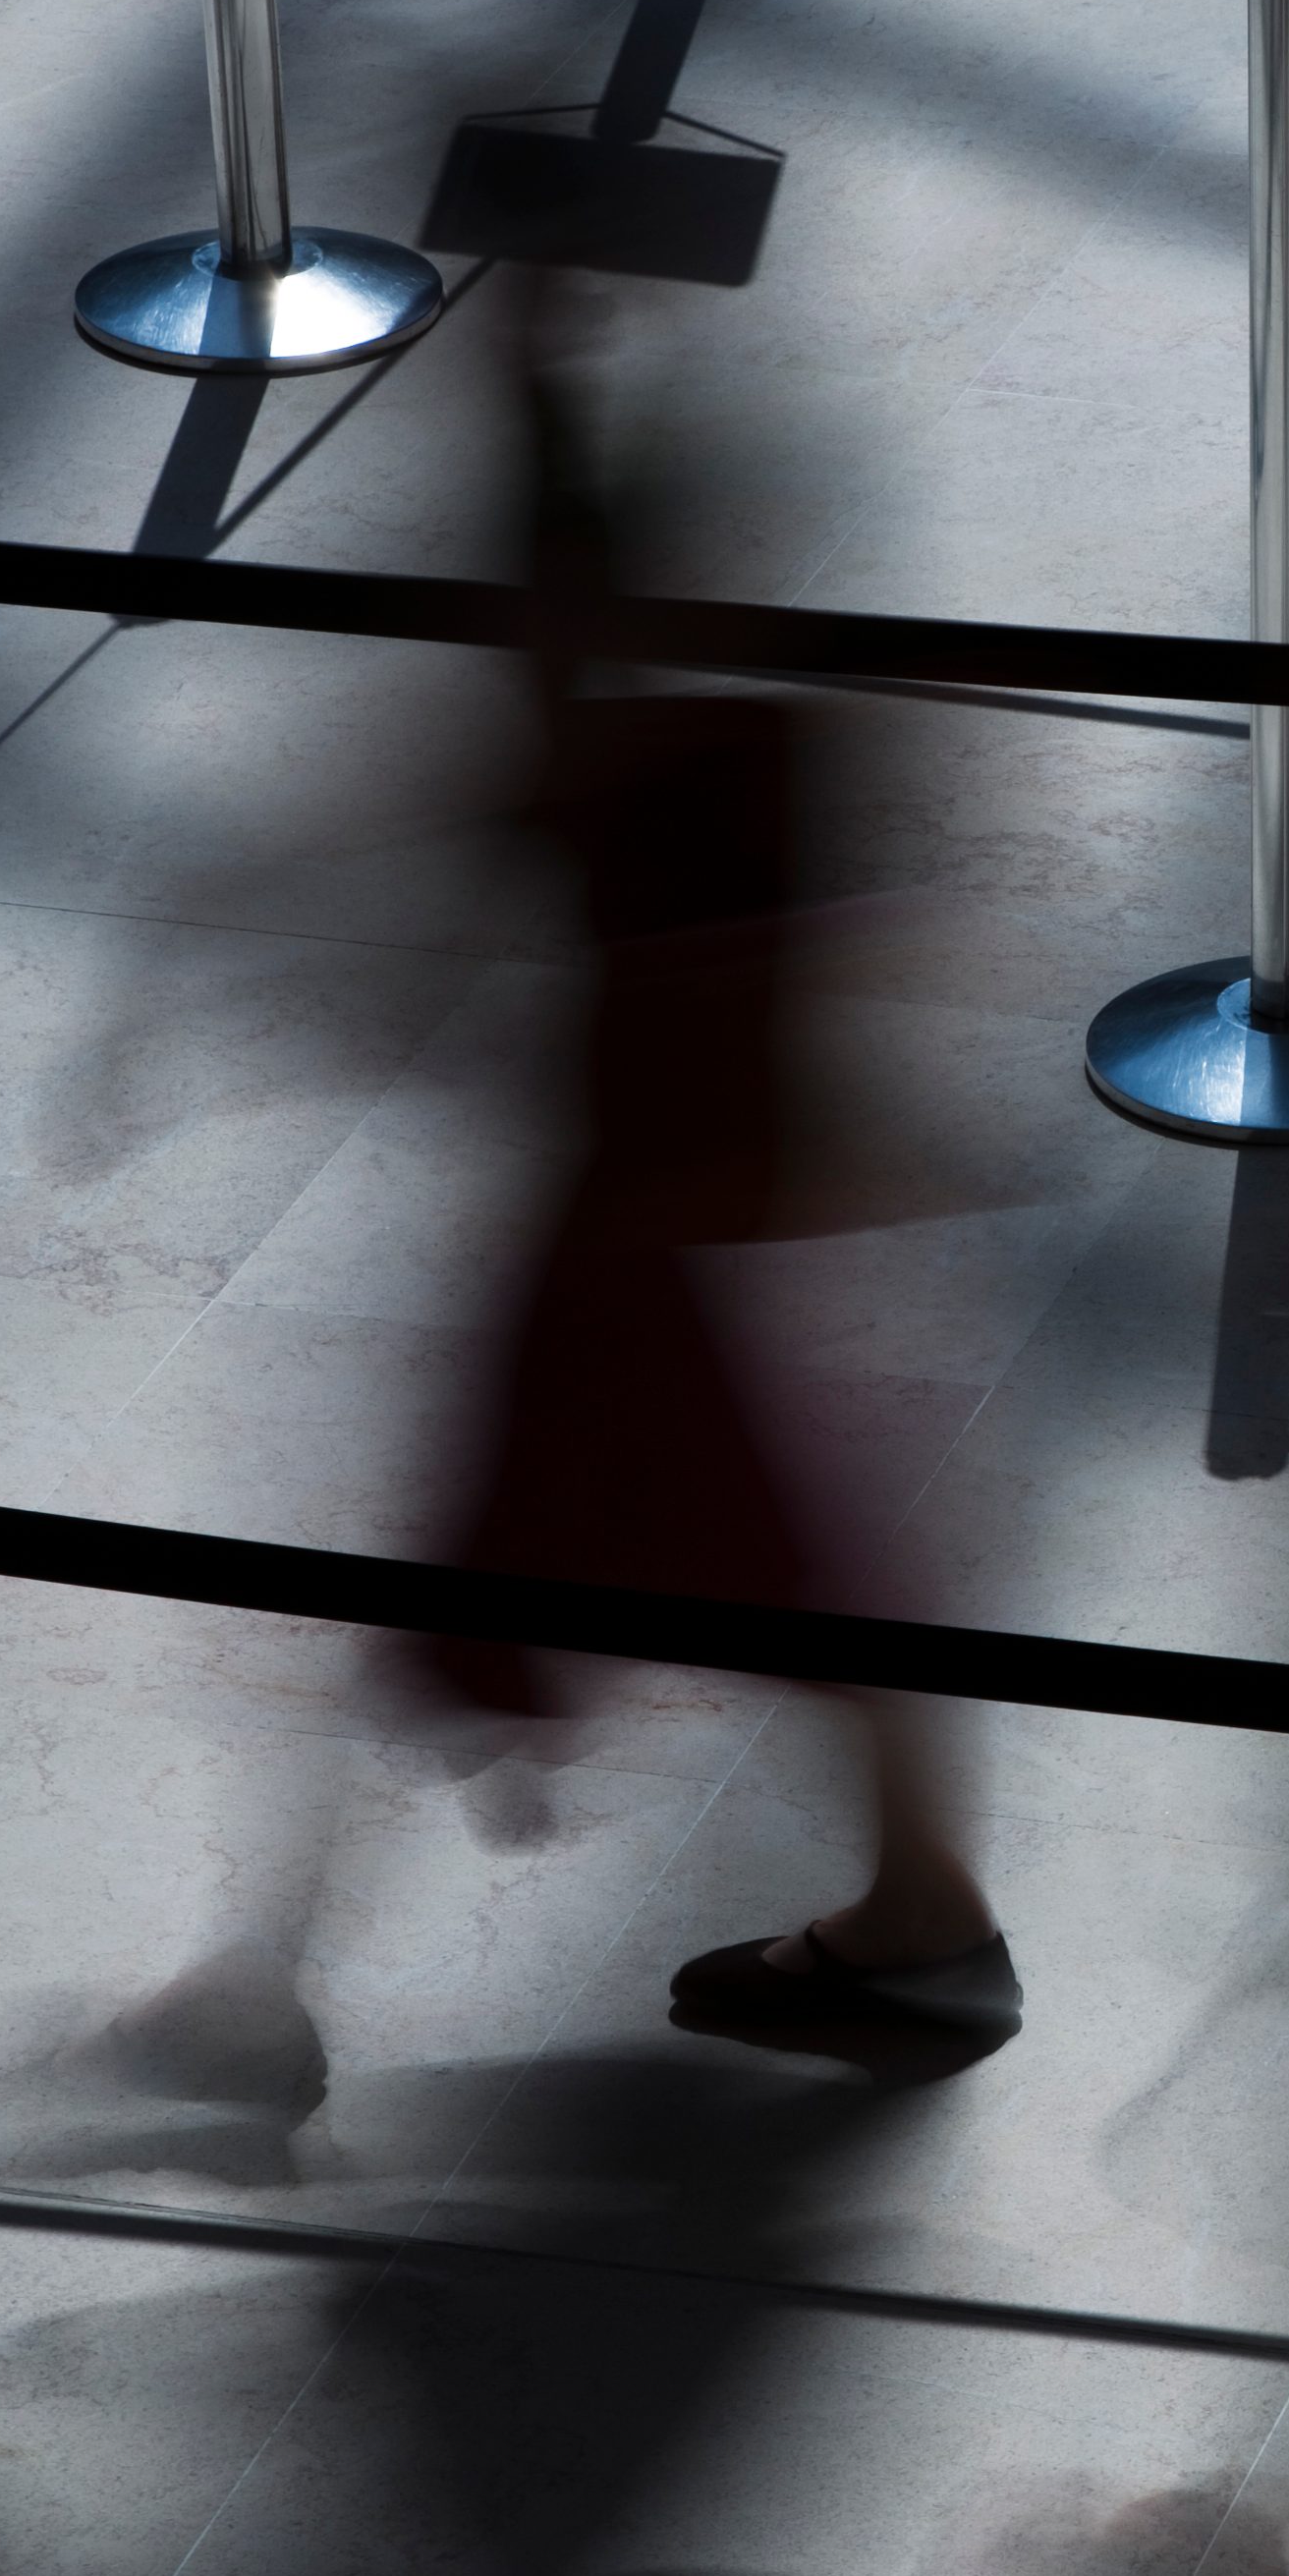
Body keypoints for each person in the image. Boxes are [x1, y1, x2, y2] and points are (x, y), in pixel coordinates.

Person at [418, 316, 1013, 2078]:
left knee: (788, 1573)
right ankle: (922, 1910)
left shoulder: (663, 760)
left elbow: (729, 991)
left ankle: (930, 1916)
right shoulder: (698, 744)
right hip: (653, 1219)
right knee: (777, 1571)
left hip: (650, 1225)